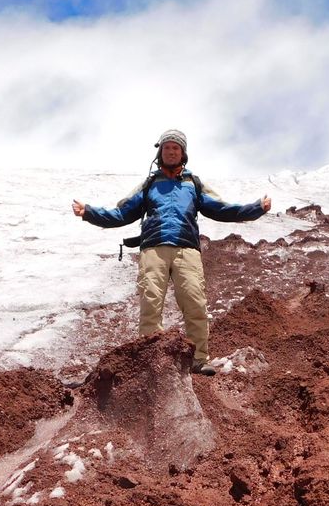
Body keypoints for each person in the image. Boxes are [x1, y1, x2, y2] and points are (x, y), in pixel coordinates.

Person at [73, 130, 271, 376]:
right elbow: (122, 213)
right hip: (153, 249)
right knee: (151, 303)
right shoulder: (148, 185)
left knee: (195, 302)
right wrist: (89, 212)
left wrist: (256, 208)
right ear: (160, 153)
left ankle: (199, 359)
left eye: (175, 148)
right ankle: (149, 360)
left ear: (183, 153)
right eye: (167, 148)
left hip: (186, 249)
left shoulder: (193, 184)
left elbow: (222, 209)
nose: (171, 151)